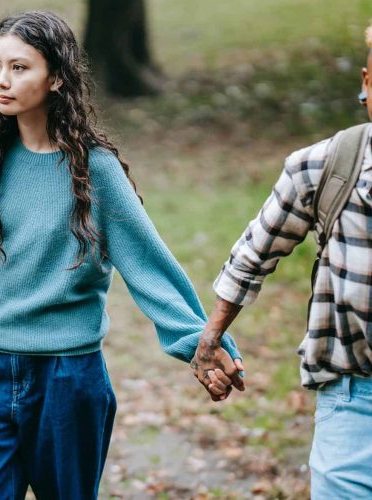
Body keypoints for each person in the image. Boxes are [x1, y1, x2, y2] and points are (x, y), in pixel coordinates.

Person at [0, 11, 244, 499]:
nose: (2, 81)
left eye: (19, 68)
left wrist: (200, 342)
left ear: (56, 78)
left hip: (67, 378)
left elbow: (150, 267)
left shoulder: (96, 172)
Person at [191, 24, 372, 499]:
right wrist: (210, 339)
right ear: (366, 84)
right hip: (355, 403)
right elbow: (252, 255)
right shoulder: (326, 166)